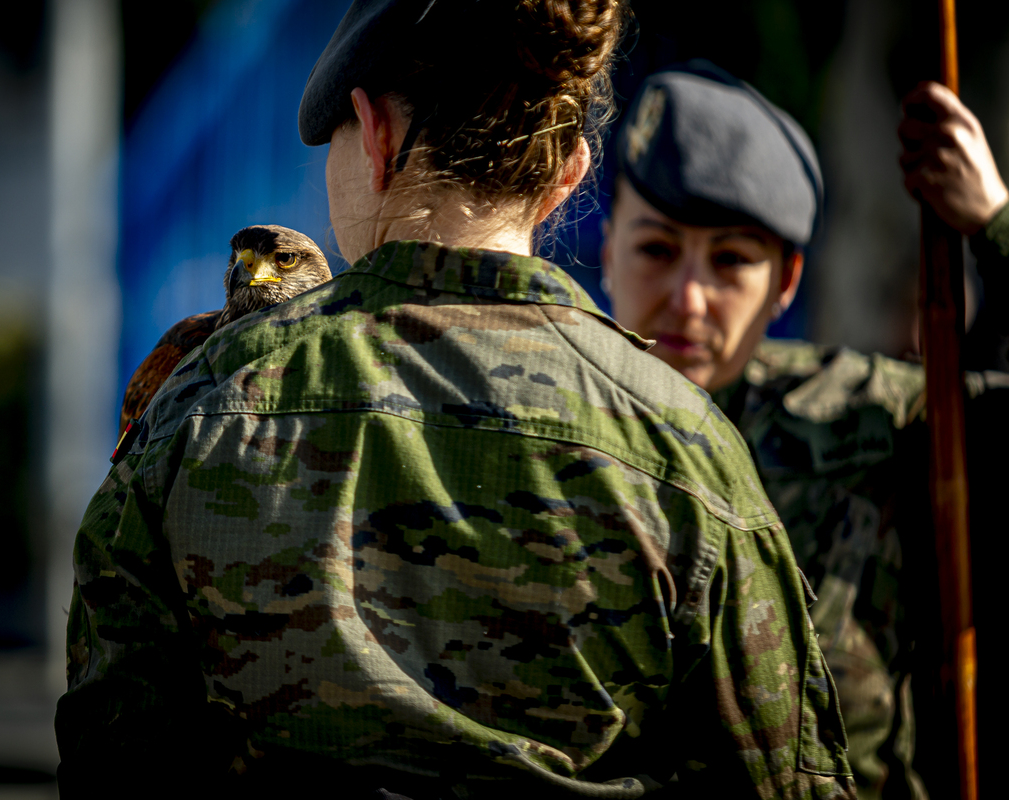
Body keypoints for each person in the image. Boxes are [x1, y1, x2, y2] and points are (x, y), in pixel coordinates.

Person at [56, 4, 854, 798]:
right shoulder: (688, 446)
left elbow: (115, 755)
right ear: (569, 174)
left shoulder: (203, 402)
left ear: (374, 134)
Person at [600, 63, 1009, 800]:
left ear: (785, 281)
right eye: (658, 249)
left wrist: (994, 227)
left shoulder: (876, 419)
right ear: (608, 250)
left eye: (730, 261)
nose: (688, 299)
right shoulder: (551, 417)